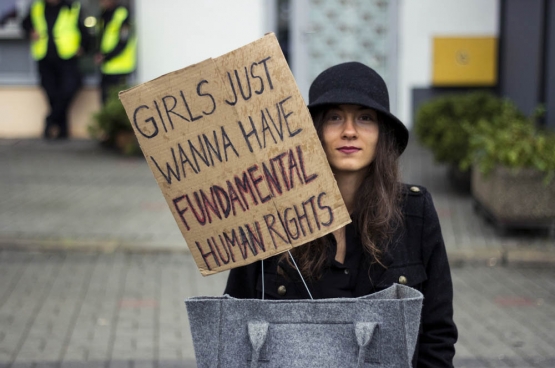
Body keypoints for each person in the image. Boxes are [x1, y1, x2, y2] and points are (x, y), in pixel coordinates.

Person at [224, 62, 458, 367]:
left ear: (381, 133)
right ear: (314, 131)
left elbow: (437, 334)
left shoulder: (414, 212)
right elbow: (234, 328)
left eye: (364, 118)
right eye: (334, 117)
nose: (349, 131)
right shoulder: (271, 214)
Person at [21, 0, 90, 139]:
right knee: (51, 93)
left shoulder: (72, 7)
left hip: (67, 58)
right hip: (45, 58)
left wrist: (83, 47)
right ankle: (62, 129)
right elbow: (24, 24)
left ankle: (50, 120)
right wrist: (30, 31)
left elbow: (85, 31)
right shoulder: (37, 7)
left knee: (68, 89)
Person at [94, 0, 136, 105]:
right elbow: (100, 39)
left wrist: (106, 56)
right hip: (107, 68)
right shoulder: (103, 15)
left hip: (121, 69)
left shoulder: (122, 13)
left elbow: (123, 41)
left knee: (119, 105)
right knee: (106, 104)